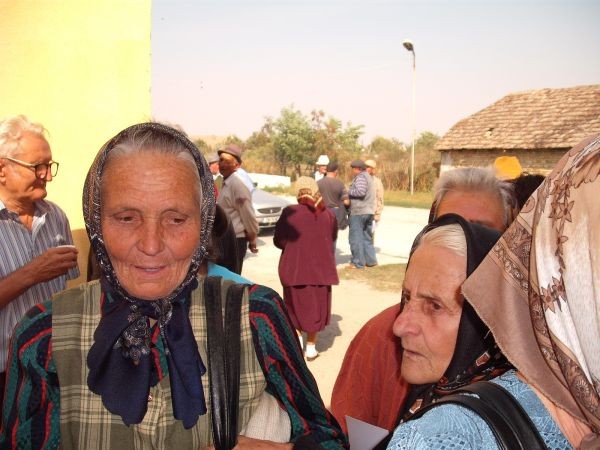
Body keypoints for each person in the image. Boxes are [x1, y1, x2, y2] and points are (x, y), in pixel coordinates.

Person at [0, 123, 348, 449]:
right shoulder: (44, 334)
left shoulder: (255, 317)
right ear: (97, 222)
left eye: (177, 219)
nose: (151, 245)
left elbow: (328, 437)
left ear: (203, 223)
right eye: (126, 218)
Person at [386, 135, 600, 449]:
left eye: (434, 306)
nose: (399, 325)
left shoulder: (446, 435)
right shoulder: (437, 425)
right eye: (406, 297)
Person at [331, 167, 515, 433]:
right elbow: (354, 432)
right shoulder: (382, 336)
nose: (458, 240)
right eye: (446, 226)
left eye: (478, 231)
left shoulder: (529, 359)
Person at [0, 115, 79, 403]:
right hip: (4, 373)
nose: (47, 175)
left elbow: (66, 295)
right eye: (37, 166)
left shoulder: (55, 216)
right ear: (2, 169)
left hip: (50, 370)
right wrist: (32, 273)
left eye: (49, 165)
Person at [274, 177, 339, 362]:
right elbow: (332, 237)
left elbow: (279, 240)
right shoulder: (328, 214)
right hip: (321, 272)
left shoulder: (290, 212)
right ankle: (310, 348)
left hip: (294, 269)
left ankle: (296, 347)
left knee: (294, 309)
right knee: (315, 310)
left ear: (298, 192)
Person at [216, 144, 259, 274]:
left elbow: (248, 216)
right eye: (221, 160)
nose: (222, 164)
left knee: (230, 281)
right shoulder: (224, 182)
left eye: (227, 161)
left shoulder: (237, 185)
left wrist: (252, 238)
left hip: (234, 240)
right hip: (222, 239)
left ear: (237, 165)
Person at [347, 159, 377, 269]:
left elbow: (360, 191)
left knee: (356, 238)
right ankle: (370, 261)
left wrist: (347, 191)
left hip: (359, 212)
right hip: (369, 211)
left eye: (353, 169)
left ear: (358, 169)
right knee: (366, 238)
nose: (352, 171)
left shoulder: (361, 177)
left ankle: (358, 263)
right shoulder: (369, 177)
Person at [317, 162, 349, 233]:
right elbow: (346, 202)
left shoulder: (318, 183)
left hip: (322, 212)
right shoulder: (340, 183)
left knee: (324, 233)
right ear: (336, 171)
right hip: (335, 212)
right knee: (333, 235)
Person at [364, 159, 384, 231]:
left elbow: (380, 198)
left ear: (372, 169)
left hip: (372, 214)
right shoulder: (359, 179)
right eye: (365, 167)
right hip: (360, 214)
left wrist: (378, 214)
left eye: (368, 167)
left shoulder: (377, 182)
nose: (366, 169)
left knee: (369, 235)